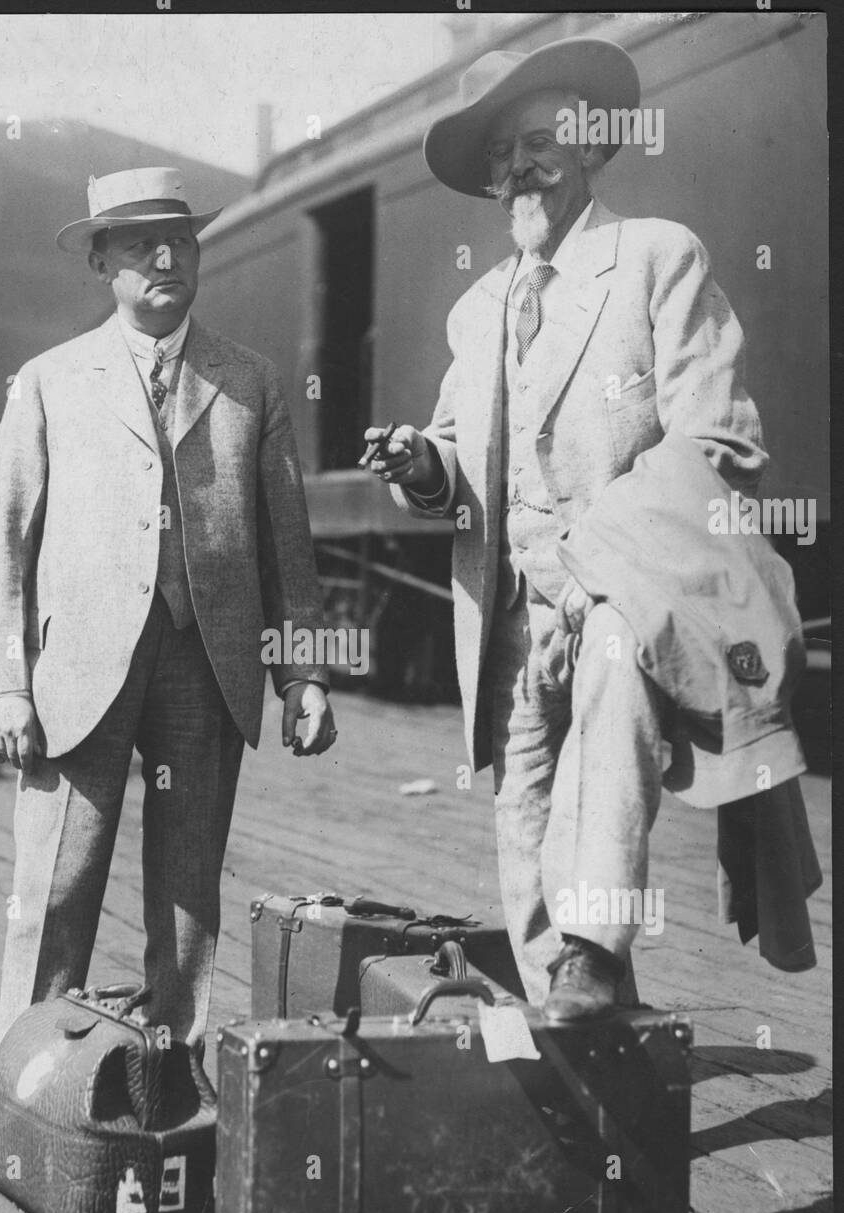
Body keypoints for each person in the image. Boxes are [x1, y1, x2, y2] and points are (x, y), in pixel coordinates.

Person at [0, 168, 335, 1170]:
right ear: (102, 261)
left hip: (204, 668)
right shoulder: (48, 381)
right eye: (141, 243)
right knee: (53, 892)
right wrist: (3, 685)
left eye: (181, 242)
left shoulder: (249, 382)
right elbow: (3, 542)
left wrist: (303, 673)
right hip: (73, 680)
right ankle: (14, 1104)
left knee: (187, 898)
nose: (165, 259)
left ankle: (170, 1098)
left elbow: (289, 545)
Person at [365, 39, 770, 1020]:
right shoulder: (476, 313)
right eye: (501, 153)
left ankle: (594, 952)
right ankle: (589, 1048)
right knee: (525, 825)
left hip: (618, 600)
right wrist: (425, 465)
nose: (518, 168)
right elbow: (460, 456)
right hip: (506, 616)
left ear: (591, 145)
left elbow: (719, 439)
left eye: (539, 141)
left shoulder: (655, 259)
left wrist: (603, 562)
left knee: (607, 715)